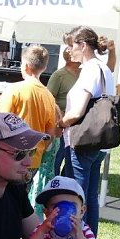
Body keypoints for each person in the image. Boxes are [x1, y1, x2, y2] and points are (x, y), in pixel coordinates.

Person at [58, 27, 117, 236]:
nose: (69, 51)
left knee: (76, 195)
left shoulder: (90, 70)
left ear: (83, 46)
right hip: (99, 142)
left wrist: (59, 124)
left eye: (72, 46)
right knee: (89, 195)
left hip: (82, 141)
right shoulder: (104, 69)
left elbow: (77, 111)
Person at [0, 44, 61, 180]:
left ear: (25, 66)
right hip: (33, 159)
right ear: (44, 68)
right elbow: (50, 133)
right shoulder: (49, 96)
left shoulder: (14, 89)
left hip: (10, 155)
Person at [46, 47, 80, 176]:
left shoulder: (83, 74)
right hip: (62, 126)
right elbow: (49, 99)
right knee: (57, 160)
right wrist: (59, 120)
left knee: (72, 163)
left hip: (77, 127)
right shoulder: (59, 75)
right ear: (71, 57)